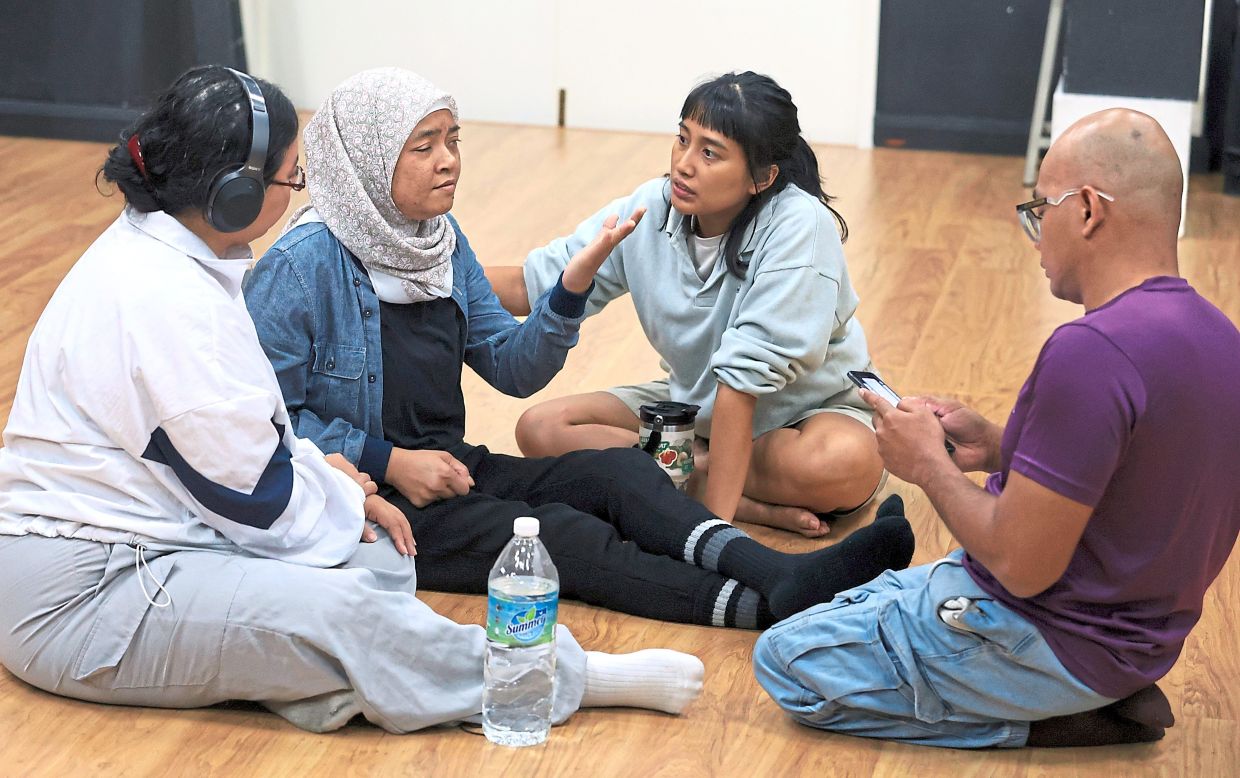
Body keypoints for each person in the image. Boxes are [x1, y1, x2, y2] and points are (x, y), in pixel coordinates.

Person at [0, 65, 708, 735]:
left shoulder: (170, 259)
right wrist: (348, 487)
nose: (301, 188)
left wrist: (326, 476)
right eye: (292, 176)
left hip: (166, 530)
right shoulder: (171, 301)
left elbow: (247, 446)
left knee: (381, 565)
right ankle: (559, 677)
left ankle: (343, 685)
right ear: (236, 194)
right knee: (341, 609)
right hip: (89, 590)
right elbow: (254, 498)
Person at [242, 68, 915, 632]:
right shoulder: (299, 268)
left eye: (453, 140)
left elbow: (513, 368)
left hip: (449, 467)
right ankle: (776, 602)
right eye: (425, 146)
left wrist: (568, 294)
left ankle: (779, 573)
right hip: (365, 498)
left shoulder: (436, 243)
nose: (449, 160)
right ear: (366, 158)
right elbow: (267, 429)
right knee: (562, 537)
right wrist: (390, 460)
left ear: (760, 176)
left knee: (618, 475)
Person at [753, 109, 1240, 748]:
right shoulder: (1219, 336)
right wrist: (999, 447)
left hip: (1046, 636)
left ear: (1087, 210)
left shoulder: (1091, 350)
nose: (1034, 236)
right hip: (1136, 645)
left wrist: (927, 466)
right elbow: (1145, 477)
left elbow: (1018, 565)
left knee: (784, 659)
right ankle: (1088, 695)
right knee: (848, 605)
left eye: (1040, 209)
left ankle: (1050, 719)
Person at [488, 71, 884, 539]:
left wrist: (709, 536)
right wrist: (430, 271)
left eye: (710, 152)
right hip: (696, 414)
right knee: (542, 428)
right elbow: (533, 284)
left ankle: (687, 482)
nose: (684, 164)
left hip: (809, 417)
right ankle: (735, 496)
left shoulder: (800, 225)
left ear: (763, 177)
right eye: (682, 139)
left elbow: (740, 385)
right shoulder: (651, 208)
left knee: (837, 463)